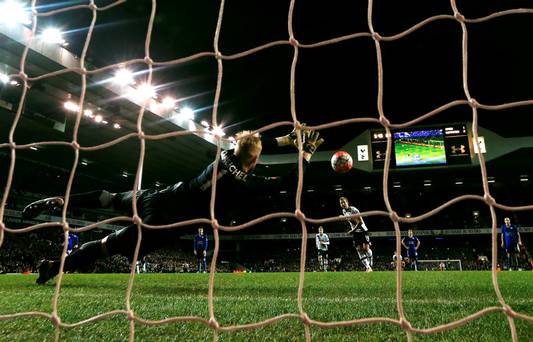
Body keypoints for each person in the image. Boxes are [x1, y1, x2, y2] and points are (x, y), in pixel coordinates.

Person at [23, 128, 324, 284]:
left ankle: (64, 201)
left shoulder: (225, 155)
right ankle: (54, 267)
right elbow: (285, 184)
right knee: (108, 246)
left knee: (110, 198)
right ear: (255, 161)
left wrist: (286, 141)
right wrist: (306, 153)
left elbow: (252, 140)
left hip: (161, 194)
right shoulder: (244, 184)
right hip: (166, 222)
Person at [340, 197, 373, 272]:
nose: (342, 204)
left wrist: (352, 231)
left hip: (362, 230)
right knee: (358, 249)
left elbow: (360, 222)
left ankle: (371, 263)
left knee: (366, 249)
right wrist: (344, 218)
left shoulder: (354, 210)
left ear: (347, 202)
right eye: (341, 203)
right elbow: (350, 220)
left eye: (344, 202)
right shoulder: (343, 211)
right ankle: (368, 267)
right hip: (355, 232)